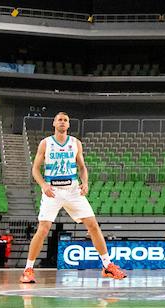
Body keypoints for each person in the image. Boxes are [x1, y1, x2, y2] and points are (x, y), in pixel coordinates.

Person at [20, 113, 126, 284]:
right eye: (59, 119)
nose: (62, 122)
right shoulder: (45, 143)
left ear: (68, 125)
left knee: (92, 224)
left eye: (65, 120)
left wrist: (85, 183)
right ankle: (28, 269)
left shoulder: (75, 143)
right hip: (52, 190)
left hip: (73, 189)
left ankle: (107, 266)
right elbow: (35, 169)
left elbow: (82, 167)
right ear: (54, 123)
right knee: (44, 228)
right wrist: (43, 185)